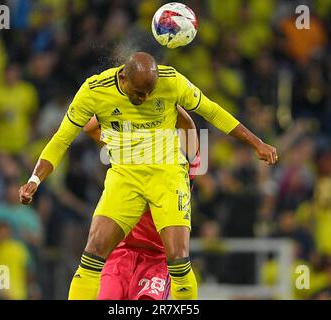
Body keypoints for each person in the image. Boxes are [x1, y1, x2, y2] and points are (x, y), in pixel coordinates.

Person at [19, 52, 278, 300]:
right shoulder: (95, 90)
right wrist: (34, 180)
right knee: (94, 249)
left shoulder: (172, 85)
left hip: (166, 181)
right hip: (125, 178)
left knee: (178, 256)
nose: (144, 98)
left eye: (149, 93)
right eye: (139, 93)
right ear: (123, 78)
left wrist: (256, 142)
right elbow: (63, 138)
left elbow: (209, 112)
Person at [84, 106, 200, 300]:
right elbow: (90, 127)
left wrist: (161, 96)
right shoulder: (129, 153)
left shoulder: (185, 163)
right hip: (119, 253)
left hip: (158, 259)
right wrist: (123, 99)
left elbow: (188, 124)